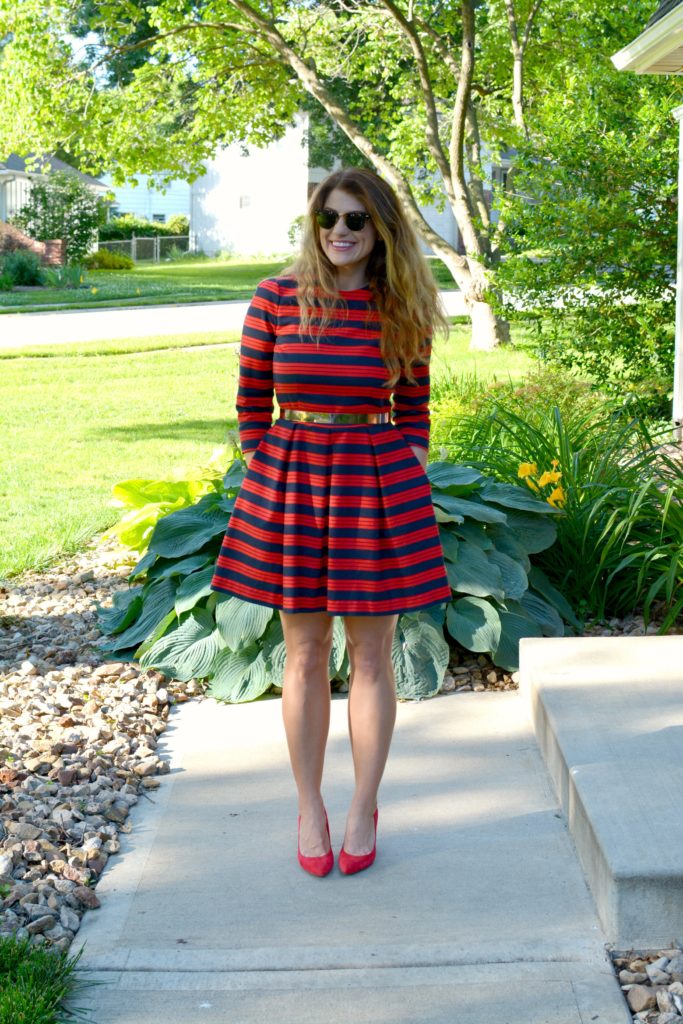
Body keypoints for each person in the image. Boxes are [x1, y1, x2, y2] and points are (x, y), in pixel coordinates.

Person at [210, 167, 451, 876]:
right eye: (328, 218)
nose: (339, 231)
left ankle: (362, 806)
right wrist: (266, 466)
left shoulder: (398, 303)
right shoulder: (277, 299)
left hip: (374, 481)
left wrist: (403, 473)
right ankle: (310, 805)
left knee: (372, 657)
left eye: (355, 219)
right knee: (305, 652)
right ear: (313, 225)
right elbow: (252, 400)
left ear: (380, 229)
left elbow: (414, 408)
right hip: (293, 478)